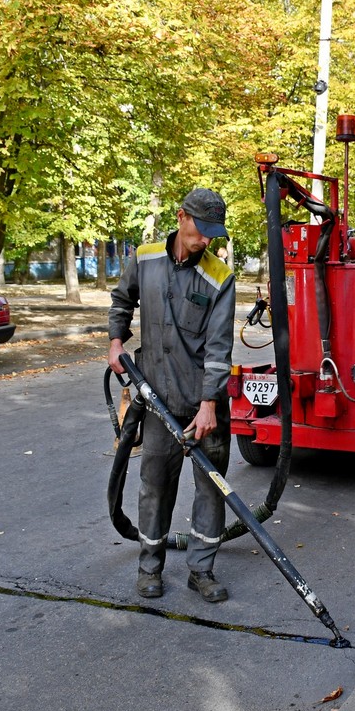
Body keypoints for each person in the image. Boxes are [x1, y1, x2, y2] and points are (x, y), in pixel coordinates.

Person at [107, 188, 236, 603]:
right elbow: (122, 299)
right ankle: (150, 567)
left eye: (214, 233)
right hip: (157, 397)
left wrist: (210, 405)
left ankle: (201, 570)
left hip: (204, 404)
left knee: (210, 488)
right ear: (181, 218)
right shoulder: (145, 258)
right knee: (154, 485)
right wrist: (115, 342)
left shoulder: (219, 277)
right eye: (202, 230)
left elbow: (219, 347)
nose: (207, 240)